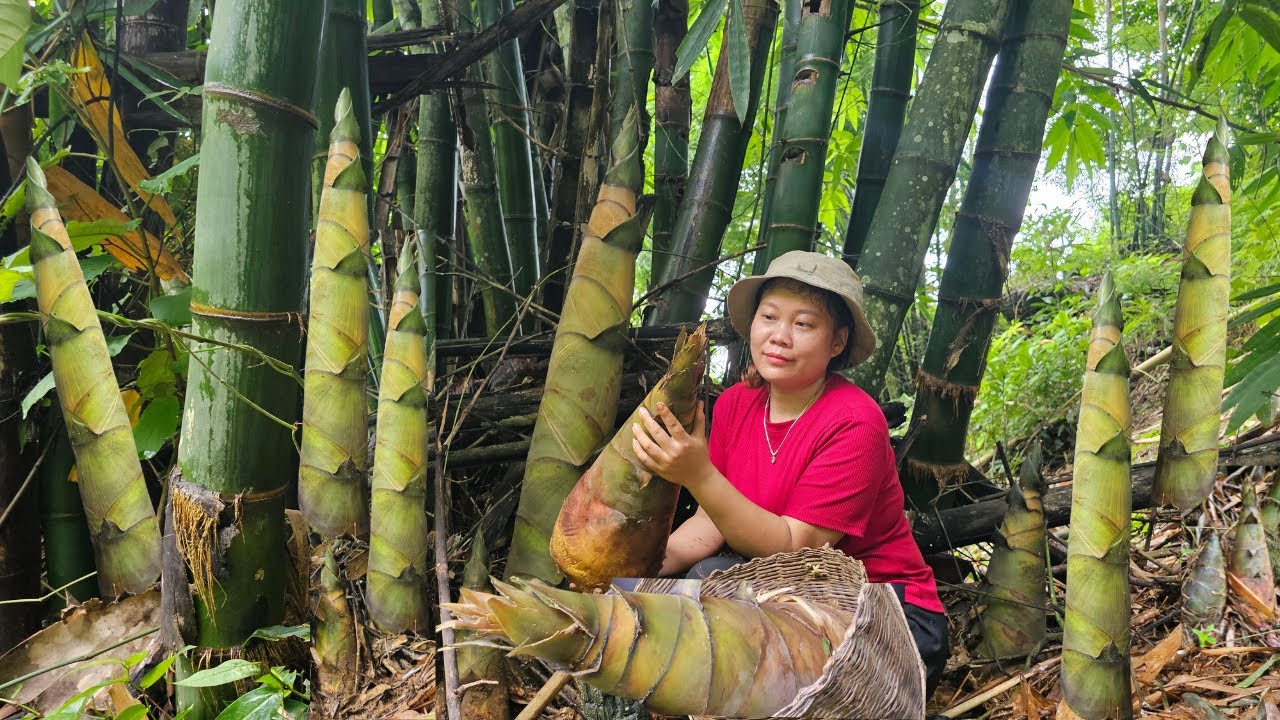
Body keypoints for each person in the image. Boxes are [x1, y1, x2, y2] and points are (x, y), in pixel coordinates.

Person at [631, 250, 949, 697]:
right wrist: (633, 575)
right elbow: (708, 524)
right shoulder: (737, 404)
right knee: (689, 585)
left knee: (714, 587)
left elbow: (795, 547)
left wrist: (697, 473)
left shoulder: (854, 422)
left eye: (803, 324)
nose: (780, 337)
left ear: (836, 342)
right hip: (787, 593)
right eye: (769, 317)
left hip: (881, 614)